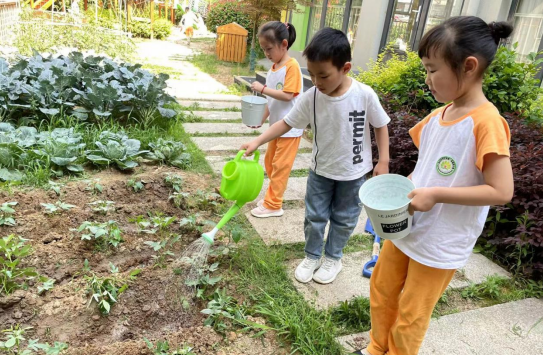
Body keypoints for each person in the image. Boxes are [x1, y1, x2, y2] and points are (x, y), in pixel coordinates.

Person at [355, 16, 515, 355]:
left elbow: (501, 191)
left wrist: (436, 194)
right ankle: (376, 346)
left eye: (432, 70)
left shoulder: (487, 123)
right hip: (407, 228)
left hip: (441, 242)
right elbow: (425, 170)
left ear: (468, 66)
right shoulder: (437, 117)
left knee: (413, 312)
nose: (426, 79)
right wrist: (400, 191)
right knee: (382, 289)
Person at [242, 28, 390, 284]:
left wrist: (384, 160)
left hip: (353, 174)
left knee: (344, 220)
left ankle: (333, 258)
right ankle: (312, 256)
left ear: (345, 69)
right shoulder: (311, 97)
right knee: (315, 216)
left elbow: (380, 125)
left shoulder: (364, 95)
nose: (317, 81)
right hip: (321, 172)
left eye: (324, 75)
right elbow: (286, 123)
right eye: (312, 74)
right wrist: (258, 140)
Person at [248, 21, 304, 218]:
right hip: (276, 127)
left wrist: (262, 88)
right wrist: (261, 119)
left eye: (269, 48)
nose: (267, 53)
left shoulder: (292, 66)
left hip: (291, 128)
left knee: (280, 167)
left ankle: (273, 204)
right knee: (270, 163)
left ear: (284, 44)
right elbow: (271, 101)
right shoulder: (273, 68)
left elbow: (288, 95)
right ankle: (275, 193)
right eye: (264, 49)